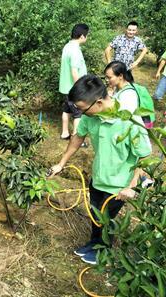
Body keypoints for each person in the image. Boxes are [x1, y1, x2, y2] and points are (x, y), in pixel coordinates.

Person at [49, 74, 152, 265]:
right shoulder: (92, 115)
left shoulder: (129, 121)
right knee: (95, 213)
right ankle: (94, 244)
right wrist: (61, 162)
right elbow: (78, 137)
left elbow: (145, 156)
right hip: (98, 176)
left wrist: (132, 186)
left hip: (118, 185)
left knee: (106, 219)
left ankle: (103, 252)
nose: (79, 112)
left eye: (80, 108)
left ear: (97, 102)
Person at [59, 23, 89, 145]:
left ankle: (64, 133)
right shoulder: (75, 50)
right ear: (82, 36)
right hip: (73, 88)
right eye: (87, 35)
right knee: (78, 114)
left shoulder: (67, 46)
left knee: (66, 110)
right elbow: (74, 71)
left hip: (65, 87)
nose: (87, 37)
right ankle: (77, 139)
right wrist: (80, 88)